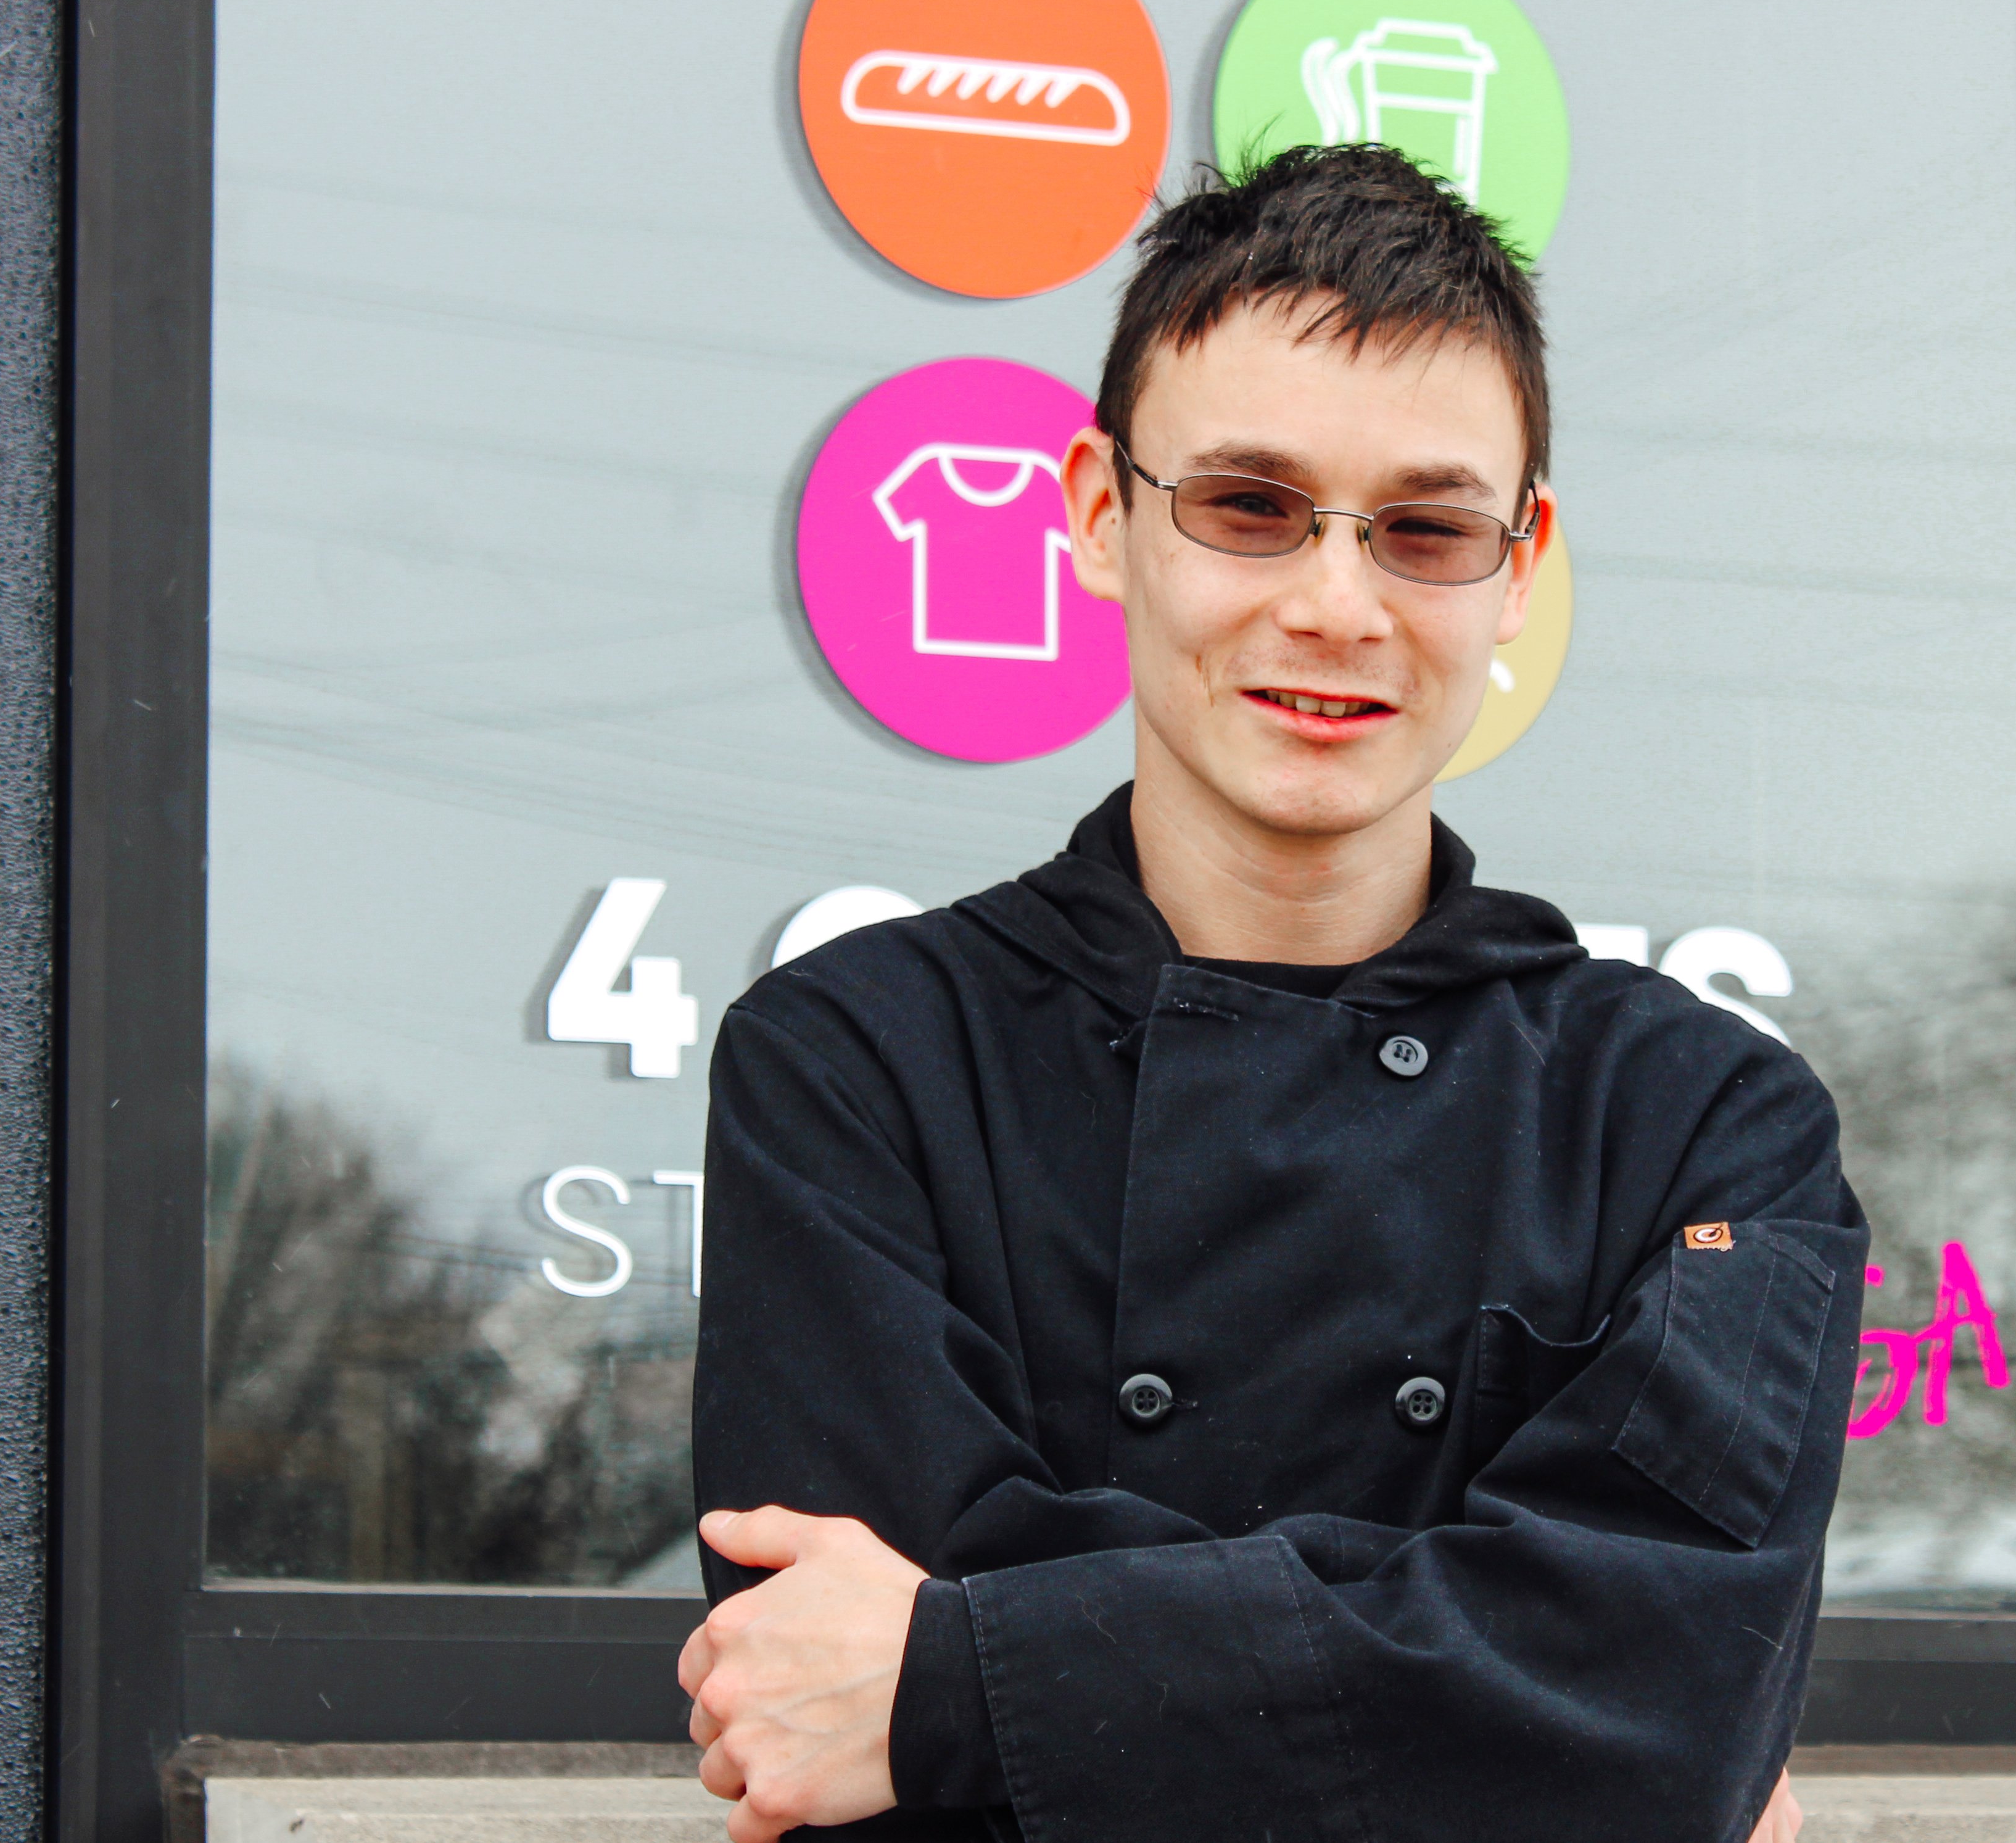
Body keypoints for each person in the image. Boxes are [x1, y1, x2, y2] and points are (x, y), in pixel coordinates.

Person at [680, 144, 1862, 1843]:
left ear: (1520, 564)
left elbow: (1655, 1712)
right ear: (1102, 515)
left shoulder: (1705, 1124)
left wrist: (957, 1675)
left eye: (1425, 529)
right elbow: (1617, 1727)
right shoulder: (851, 1064)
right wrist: (1524, 1709)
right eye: (1247, 505)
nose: (1334, 603)